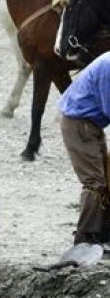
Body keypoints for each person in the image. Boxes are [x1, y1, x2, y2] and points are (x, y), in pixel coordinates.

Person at [58, 52, 110, 246]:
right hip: (80, 124)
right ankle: (84, 236)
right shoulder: (109, 68)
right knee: (94, 182)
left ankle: (103, 232)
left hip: (90, 123)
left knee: (105, 177)